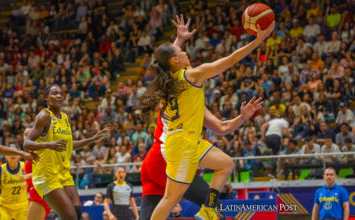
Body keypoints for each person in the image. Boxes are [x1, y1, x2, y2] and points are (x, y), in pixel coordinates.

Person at [138, 12, 274, 219]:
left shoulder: (169, 82)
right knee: (170, 199)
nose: (185, 53)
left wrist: (179, 40)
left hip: (188, 140)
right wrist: (258, 40)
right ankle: (208, 210)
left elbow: (168, 60)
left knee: (226, 163)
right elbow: (230, 60)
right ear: (176, 60)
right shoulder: (191, 75)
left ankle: (208, 209)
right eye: (181, 51)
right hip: (181, 143)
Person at [24, 85, 109, 220]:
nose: (58, 96)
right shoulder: (44, 116)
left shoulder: (65, 118)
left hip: (63, 173)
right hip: (46, 175)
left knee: (78, 213)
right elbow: (27, 143)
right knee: (70, 217)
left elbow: (69, 145)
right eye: (54, 93)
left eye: (60, 93)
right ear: (46, 98)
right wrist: (49, 145)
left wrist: (93, 139)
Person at [18, 128, 51, 220]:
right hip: (35, 192)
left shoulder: (40, 152)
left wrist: (30, 175)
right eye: (25, 134)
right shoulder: (31, 152)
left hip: (39, 194)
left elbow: (50, 171)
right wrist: (27, 182)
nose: (27, 136)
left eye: (29, 134)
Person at [0, 145, 29, 220]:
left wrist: (29, 182)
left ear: (19, 155)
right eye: (9, 152)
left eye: (14, 152)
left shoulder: (26, 167)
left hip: (22, 207)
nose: (12, 154)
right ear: (5, 157)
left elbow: (37, 180)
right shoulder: (0, 170)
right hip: (5, 207)